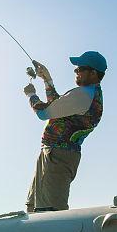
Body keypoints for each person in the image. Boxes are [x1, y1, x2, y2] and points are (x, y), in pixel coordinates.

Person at [23, 51, 106, 212]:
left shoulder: (83, 95)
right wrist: (47, 79)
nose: (76, 71)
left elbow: (44, 112)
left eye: (80, 68)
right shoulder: (89, 94)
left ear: (93, 73)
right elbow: (57, 106)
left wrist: (31, 95)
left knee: (49, 212)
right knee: (33, 208)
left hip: (57, 157)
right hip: (55, 154)